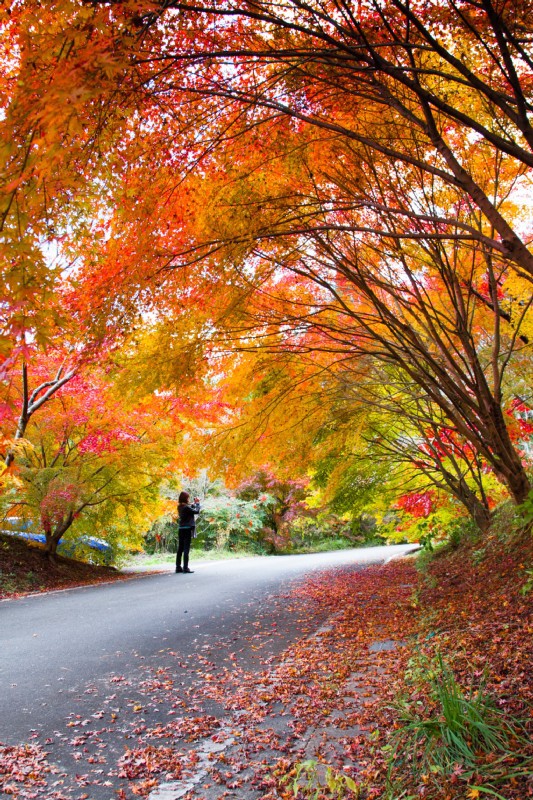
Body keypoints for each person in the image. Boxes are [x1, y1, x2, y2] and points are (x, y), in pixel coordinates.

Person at [176, 491, 201, 573]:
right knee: (186, 548)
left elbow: (190, 507)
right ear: (185, 498)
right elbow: (196, 511)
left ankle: (178, 567)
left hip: (181, 528)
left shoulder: (180, 506)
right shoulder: (186, 507)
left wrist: (194, 503)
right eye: (188, 497)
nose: (188, 499)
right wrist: (197, 504)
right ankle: (185, 568)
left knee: (180, 548)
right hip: (187, 529)